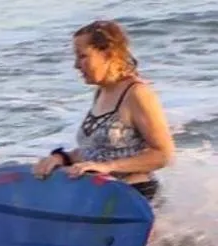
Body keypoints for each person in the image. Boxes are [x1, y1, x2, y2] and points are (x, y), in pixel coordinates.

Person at [32, 20, 173, 202]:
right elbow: (96, 151)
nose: (76, 65)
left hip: (135, 197)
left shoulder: (137, 94)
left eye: (82, 56)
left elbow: (163, 155)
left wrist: (108, 167)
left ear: (108, 54)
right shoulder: (102, 92)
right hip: (101, 196)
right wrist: (62, 158)